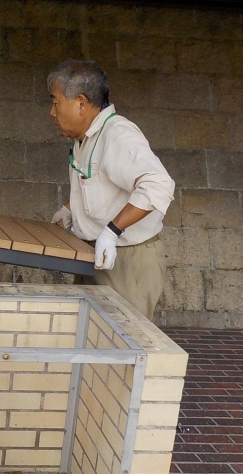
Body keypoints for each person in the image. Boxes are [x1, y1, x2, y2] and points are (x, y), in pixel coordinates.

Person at [48, 60, 175, 320]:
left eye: (56, 102)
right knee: (91, 339)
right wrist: (69, 210)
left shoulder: (117, 134)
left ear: (81, 103)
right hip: (94, 255)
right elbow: (95, 183)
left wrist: (111, 231)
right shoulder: (84, 138)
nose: (52, 112)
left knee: (125, 343)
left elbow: (158, 185)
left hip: (127, 259)